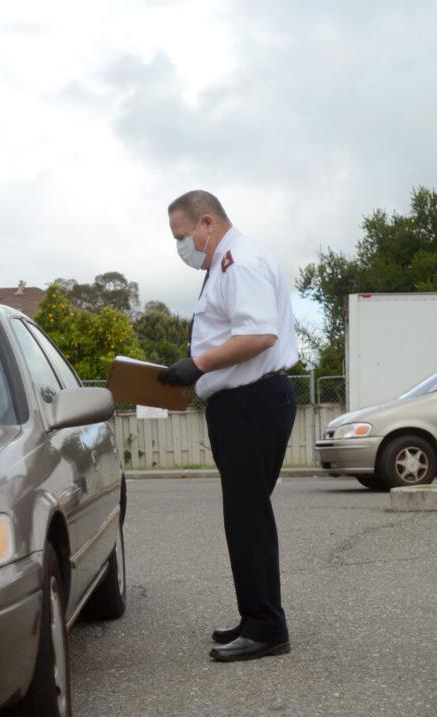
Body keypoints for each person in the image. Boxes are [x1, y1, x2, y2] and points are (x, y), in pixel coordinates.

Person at [158, 190, 300, 662]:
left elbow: (259, 335)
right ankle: (254, 615)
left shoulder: (239, 262)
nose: (182, 246)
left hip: (251, 403)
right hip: (243, 403)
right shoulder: (224, 266)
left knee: (248, 517)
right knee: (244, 517)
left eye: (182, 236)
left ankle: (266, 627)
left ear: (205, 223)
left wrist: (197, 365)